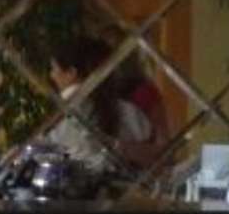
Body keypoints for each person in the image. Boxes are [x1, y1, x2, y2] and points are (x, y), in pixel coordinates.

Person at [49, 34, 164, 172]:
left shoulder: (60, 113)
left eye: (54, 68)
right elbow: (160, 155)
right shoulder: (127, 110)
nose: (52, 75)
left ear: (71, 73)